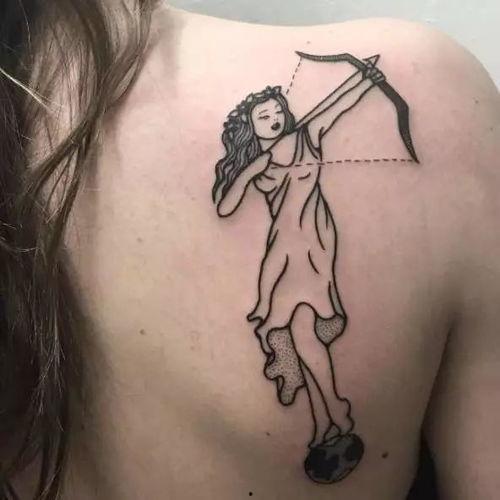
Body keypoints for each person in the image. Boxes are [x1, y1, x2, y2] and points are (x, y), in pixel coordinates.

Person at [0, 1, 499, 499]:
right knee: (296, 334)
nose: (275, 118)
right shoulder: (264, 160)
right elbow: (227, 201)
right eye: (264, 116)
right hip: (284, 253)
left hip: (313, 248)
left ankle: (331, 416)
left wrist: (364, 80)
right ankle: (332, 414)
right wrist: (252, 168)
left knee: (301, 332)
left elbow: (337, 105)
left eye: (278, 111)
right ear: (252, 127)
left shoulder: (308, 136)